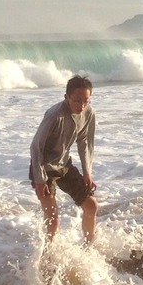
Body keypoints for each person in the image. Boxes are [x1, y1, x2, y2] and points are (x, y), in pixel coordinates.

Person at [29, 75, 98, 243]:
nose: (82, 105)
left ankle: (89, 248)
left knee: (91, 206)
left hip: (63, 165)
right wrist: (39, 180)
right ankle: (47, 255)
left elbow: (85, 143)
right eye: (77, 100)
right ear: (66, 97)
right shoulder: (55, 115)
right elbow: (36, 146)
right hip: (43, 168)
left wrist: (87, 172)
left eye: (86, 101)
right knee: (53, 219)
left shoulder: (88, 113)